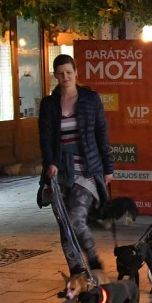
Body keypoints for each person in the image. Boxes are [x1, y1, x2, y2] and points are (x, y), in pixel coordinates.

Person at [39, 54, 114, 287]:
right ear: (55, 75)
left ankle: (93, 260)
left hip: (87, 169)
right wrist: (50, 163)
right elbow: (45, 139)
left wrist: (108, 167)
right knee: (64, 224)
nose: (65, 77)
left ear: (76, 73)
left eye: (69, 72)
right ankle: (77, 273)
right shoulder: (48, 104)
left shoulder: (90, 99)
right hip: (58, 171)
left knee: (75, 219)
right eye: (61, 73)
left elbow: (102, 133)